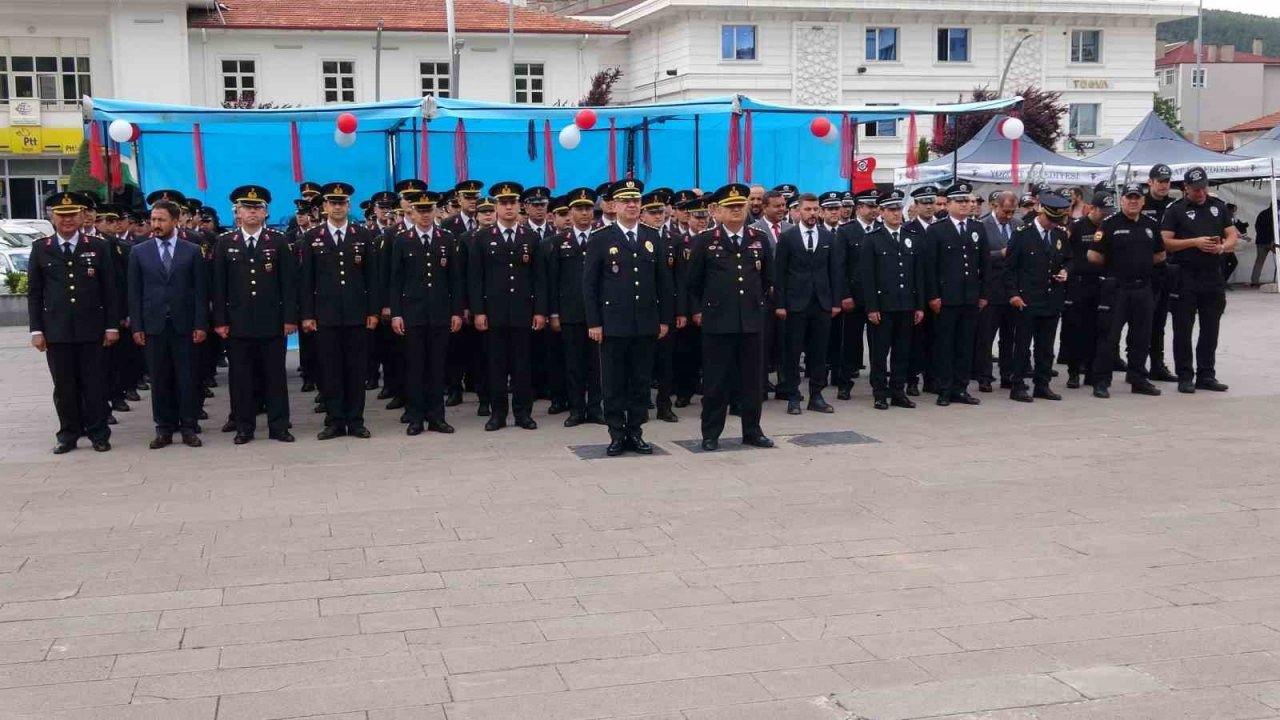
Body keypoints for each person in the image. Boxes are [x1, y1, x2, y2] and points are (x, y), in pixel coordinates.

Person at [583, 179, 673, 456]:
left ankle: (635, 431)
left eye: (635, 200)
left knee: (640, 381)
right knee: (613, 382)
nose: (632, 205)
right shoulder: (601, 238)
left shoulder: (651, 236)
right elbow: (590, 285)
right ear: (614, 205)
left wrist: (663, 319)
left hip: (645, 322)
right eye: (625, 201)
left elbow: (663, 282)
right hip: (613, 323)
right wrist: (594, 322)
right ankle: (616, 433)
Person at [28, 192, 121, 454]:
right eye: (62, 215)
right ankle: (68, 434)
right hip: (56, 331)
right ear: (52, 218)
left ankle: (99, 433)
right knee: (64, 387)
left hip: (92, 329)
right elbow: (35, 293)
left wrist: (111, 326)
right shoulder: (41, 248)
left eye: (72, 214)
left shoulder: (98, 246)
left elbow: (110, 290)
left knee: (95, 385)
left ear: (82, 216)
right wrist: (36, 330)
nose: (67, 219)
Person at [684, 183, 774, 452]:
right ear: (718, 211)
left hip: (751, 320)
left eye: (739, 206)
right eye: (730, 207)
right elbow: (693, 282)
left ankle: (752, 431)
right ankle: (711, 433)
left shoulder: (759, 238)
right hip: (718, 322)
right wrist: (703, 310)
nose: (736, 211)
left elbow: (767, 278)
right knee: (716, 381)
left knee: (752, 382)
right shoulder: (705, 240)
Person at [210, 185, 297, 444]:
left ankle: (278, 426)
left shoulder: (278, 241)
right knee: (241, 378)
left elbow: (288, 284)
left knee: (275, 377)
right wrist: (220, 321)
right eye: (247, 208)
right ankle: (244, 427)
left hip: (272, 321)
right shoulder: (225, 243)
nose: (252, 212)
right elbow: (218, 287)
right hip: (238, 322)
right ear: (237, 212)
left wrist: (289, 318)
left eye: (257, 208)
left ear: (266, 212)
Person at [300, 182, 380, 440]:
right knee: (330, 370)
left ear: (348, 205)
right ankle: (334, 421)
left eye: (342, 203)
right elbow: (306, 280)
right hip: (326, 316)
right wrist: (308, 314)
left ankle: (356, 421)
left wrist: (373, 312)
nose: (337, 207)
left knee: (356, 371)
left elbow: (372, 278)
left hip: (357, 314)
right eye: (332, 203)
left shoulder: (362, 235)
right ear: (324, 206)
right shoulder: (312, 237)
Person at [129, 198, 208, 449]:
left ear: (175, 221)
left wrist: (200, 324)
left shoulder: (192, 250)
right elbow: (134, 293)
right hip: (154, 326)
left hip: (184, 325)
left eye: (161, 220)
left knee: (186, 378)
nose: (156, 224)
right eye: (153, 219)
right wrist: (137, 326)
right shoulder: (139, 251)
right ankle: (163, 428)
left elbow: (200, 292)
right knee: (160, 379)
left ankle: (188, 426)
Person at [468, 182, 547, 431]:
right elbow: (475, 279)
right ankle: (498, 414)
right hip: (494, 313)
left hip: (523, 312)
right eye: (503, 203)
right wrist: (478, 311)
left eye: (512, 202)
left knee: (523, 365)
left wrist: (540, 311)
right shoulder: (482, 238)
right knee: (496, 366)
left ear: (519, 205)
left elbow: (539, 278)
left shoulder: (530, 237)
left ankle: (523, 413)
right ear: (496, 207)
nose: (508, 207)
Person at [389, 191, 463, 435]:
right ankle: (415, 418)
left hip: (440, 314)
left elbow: (455, 280)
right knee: (415, 368)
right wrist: (396, 314)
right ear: (412, 212)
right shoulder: (403, 240)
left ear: (435, 211)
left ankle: (437, 418)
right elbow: (395, 281)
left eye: (428, 210)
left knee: (437, 368)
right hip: (412, 314)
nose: (424, 215)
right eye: (420, 210)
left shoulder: (446, 238)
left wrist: (456, 312)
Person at [1163, 167, 1235, 393]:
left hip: (1212, 275)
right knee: (1183, 329)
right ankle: (1185, 375)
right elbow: (1165, 242)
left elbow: (1232, 234)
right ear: (1186, 188)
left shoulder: (1218, 206)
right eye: (1196, 189)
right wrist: (1194, 242)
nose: (1201, 192)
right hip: (1185, 275)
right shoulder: (1176, 210)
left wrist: (1222, 247)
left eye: (1204, 187)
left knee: (1210, 328)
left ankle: (1207, 374)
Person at [1088, 184, 1163, 398]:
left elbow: (1160, 255)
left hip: (1143, 288)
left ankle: (1138, 378)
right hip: (1117, 289)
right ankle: (1101, 381)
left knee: (1141, 337)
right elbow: (1093, 255)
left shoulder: (1151, 224)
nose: (1133, 201)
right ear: (1122, 201)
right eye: (1129, 197)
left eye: (1137, 198)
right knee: (1109, 337)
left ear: (1143, 201)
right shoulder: (1110, 223)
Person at [923, 182, 990, 406]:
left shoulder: (977, 228)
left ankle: (961, 388)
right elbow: (930, 267)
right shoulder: (937, 230)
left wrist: (983, 294)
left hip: (970, 297)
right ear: (949, 203)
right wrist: (933, 296)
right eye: (959, 201)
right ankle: (944, 389)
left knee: (965, 345)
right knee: (945, 346)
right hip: (946, 298)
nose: (965, 205)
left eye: (967, 201)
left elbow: (985, 264)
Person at [774, 192, 841, 415]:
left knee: (819, 351)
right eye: (808, 209)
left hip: (821, 303)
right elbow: (780, 273)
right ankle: (793, 396)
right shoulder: (788, 237)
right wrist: (780, 304)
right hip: (795, 303)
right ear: (799, 211)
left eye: (815, 210)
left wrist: (835, 302)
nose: (812, 213)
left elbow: (835, 271)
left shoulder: (828, 237)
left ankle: (816, 395)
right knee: (793, 352)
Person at [1004, 191, 1072, 402]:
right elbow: (1009, 268)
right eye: (1050, 219)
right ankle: (1017, 385)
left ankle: (1042, 384)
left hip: (1051, 298)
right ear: (1041, 212)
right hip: (1027, 299)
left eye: (1056, 220)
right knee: (1022, 346)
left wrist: (1065, 271)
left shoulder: (1059, 234)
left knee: (1046, 347)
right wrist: (1013, 294)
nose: (1053, 224)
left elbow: (1069, 259)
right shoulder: (1022, 234)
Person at [860, 189, 923, 410]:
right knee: (880, 352)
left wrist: (919, 305)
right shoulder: (872, 239)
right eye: (891, 210)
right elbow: (867, 277)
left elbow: (917, 275)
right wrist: (871, 307)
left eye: (898, 209)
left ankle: (898, 391)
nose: (896, 213)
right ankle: (879, 393)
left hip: (906, 305)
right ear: (882, 212)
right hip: (883, 306)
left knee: (902, 351)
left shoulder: (911, 237)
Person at [548, 187, 605, 427]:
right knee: (573, 364)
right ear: (570, 212)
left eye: (588, 208)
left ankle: (596, 408)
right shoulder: (559, 242)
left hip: (598, 314)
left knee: (597, 365)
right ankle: (576, 409)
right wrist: (554, 313)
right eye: (579, 209)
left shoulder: (603, 238)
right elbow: (553, 282)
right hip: (570, 313)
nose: (584, 213)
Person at [1061, 192, 1113, 389]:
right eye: (1103, 211)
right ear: (1092, 208)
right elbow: (1065, 252)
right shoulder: (1077, 226)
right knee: (1076, 329)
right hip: (1079, 284)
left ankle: (1092, 372)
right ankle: (1074, 371)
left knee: (1097, 330)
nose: (1106, 215)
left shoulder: (1108, 226)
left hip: (1100, 284)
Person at [833, 189, 879, 399]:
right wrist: (844, 294)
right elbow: (840, 266)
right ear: (859, 208)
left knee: (878, 343)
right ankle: (845, 383)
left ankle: (878, 383)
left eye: (876, 206)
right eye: (870, 206)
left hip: (877, 297)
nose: (874, 210)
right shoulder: (846, 231)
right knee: (850, 342)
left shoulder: (880, 229)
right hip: (854, 295)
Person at [976, 191, 1019, 392]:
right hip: (991, 290)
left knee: (1009, 337)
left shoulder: (1018, 225)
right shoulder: (982, 226)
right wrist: (999, 254)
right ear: (995, 206)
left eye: (1012, 212)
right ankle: (984, 376)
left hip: (1012, 291)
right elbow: (978, 256)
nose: (1008, 216)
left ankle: (1007, 374)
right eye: (1005, 211)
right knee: (986, 337)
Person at [1143, 164, 1178, 382]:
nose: (1164, 185)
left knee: (1159, 321)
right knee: (1138, 321)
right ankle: (1133, 365)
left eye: (1167, 182)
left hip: (1165, 270)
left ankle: (1157, 364)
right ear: (1150, 182)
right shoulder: (1139, 202)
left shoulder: (1174, 206)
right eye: (1160, 181)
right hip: (1142, 270)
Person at [1254, 201, 1277, 287]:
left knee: (1259, 262)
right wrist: (1273, 239)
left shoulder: (1262, 213)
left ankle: (1254, 281)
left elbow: (1256, 226)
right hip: (1272, 242)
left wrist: (1260, 236)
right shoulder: (1275, 215)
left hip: (1261, 241)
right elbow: (1275, 228)